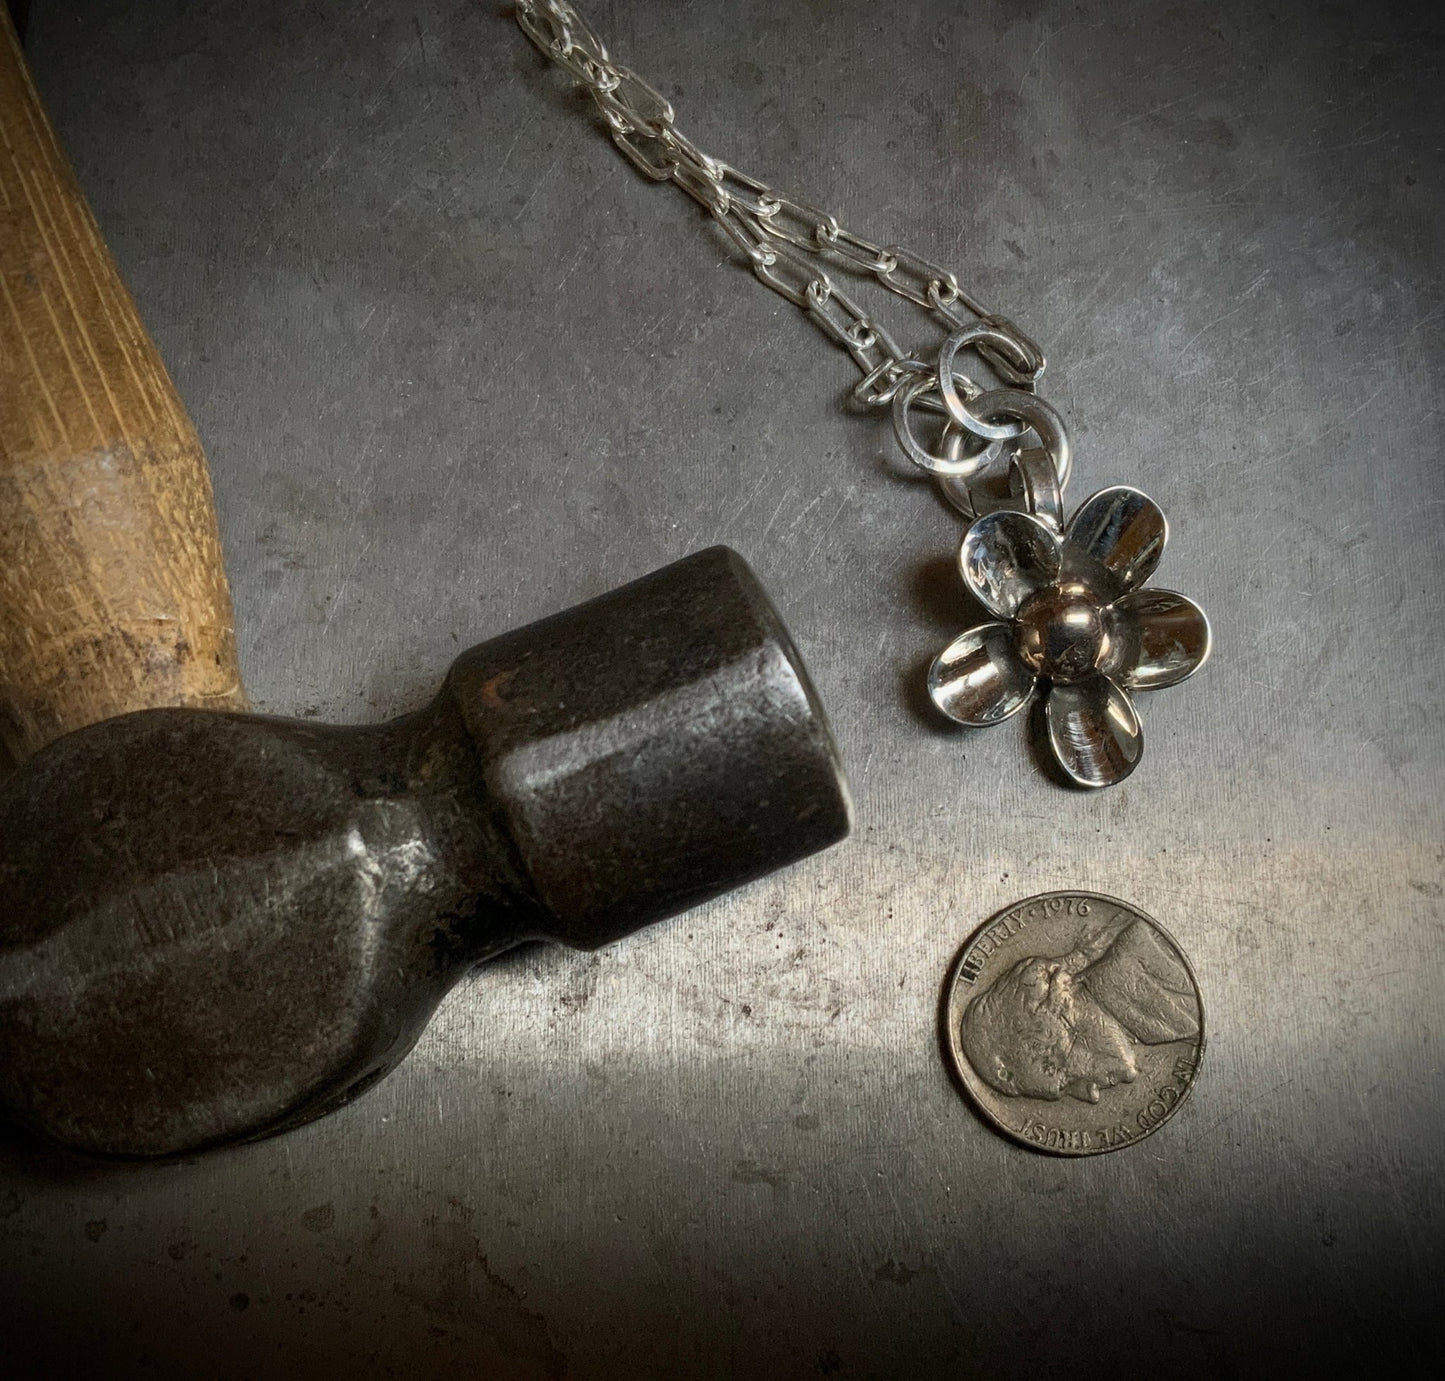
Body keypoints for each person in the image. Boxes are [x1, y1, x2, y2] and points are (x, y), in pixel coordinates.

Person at [959, 918, 1199, 1105]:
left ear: (1056, 1014)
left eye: (1065, 1078)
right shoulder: (1161, 1018)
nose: (1091, 1096)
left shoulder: (1161, 970)